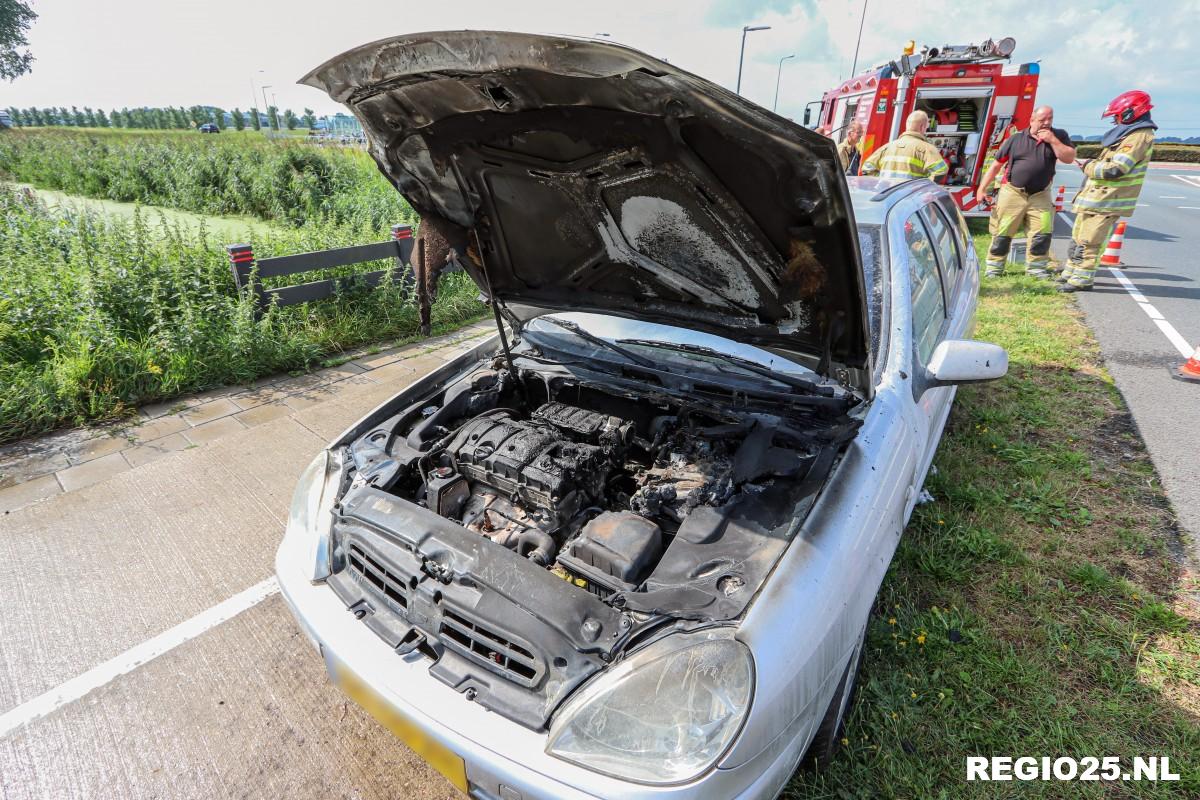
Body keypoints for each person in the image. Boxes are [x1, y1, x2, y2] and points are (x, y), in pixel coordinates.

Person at [1058, 90, 1157, 292]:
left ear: (1131, 112)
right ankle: (1071, 273)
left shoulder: (1138, 137)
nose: (1115, 120)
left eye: (1118, 115)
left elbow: (1115, 169)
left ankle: (1081, 280)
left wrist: (1088, 166)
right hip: (1097, 198)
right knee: (1078, 237)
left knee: (1089, 241)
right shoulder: (1130, 134)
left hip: (1108, 200)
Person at [975, 106, 1075, 278]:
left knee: (1042, 231)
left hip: (1040, 194)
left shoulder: (1059, 136)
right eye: (1042, 119)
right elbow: (996, 164)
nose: (1047, 123)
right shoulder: (1015, 139)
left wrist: (1053, 140)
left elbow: (1069, 157)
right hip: (1013, 192)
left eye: (1050, 119)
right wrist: (982, 188)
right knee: (1003, 230)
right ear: (1032, 119)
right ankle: (994, 268)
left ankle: (1036, 269)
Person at [859, 111, 949, 181]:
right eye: (926, 127)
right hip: (911, 199)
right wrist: (923, 189)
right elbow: (940, 171)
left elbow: (867, 169)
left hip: (888, 199)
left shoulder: (886, 147)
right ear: (922, 127)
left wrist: (881, 181)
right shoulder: (927, 149)